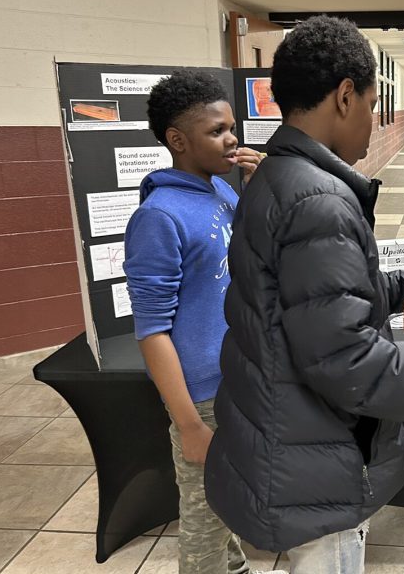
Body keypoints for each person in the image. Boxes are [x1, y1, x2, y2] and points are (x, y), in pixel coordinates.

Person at [204, 15, 404, 573]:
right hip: (310, 479)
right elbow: (352, 366)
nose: (375, 123)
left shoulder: (275, 177)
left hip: (277, 450)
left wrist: (398, 284)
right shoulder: (319, 200)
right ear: (346, 96)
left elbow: (300, 301)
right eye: (375, 105)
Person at [123, 69, 274, 574]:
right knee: (204, 521)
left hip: (240, 378)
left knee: (227, 505)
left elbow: (243, 265)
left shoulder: (223, 194)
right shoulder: (159, 216)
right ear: (177, 140)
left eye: (232, 127)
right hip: (204, 398)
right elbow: (151, 329)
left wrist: (253, 192)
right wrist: (188, 424)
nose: (232, 139)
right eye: (216, 131)